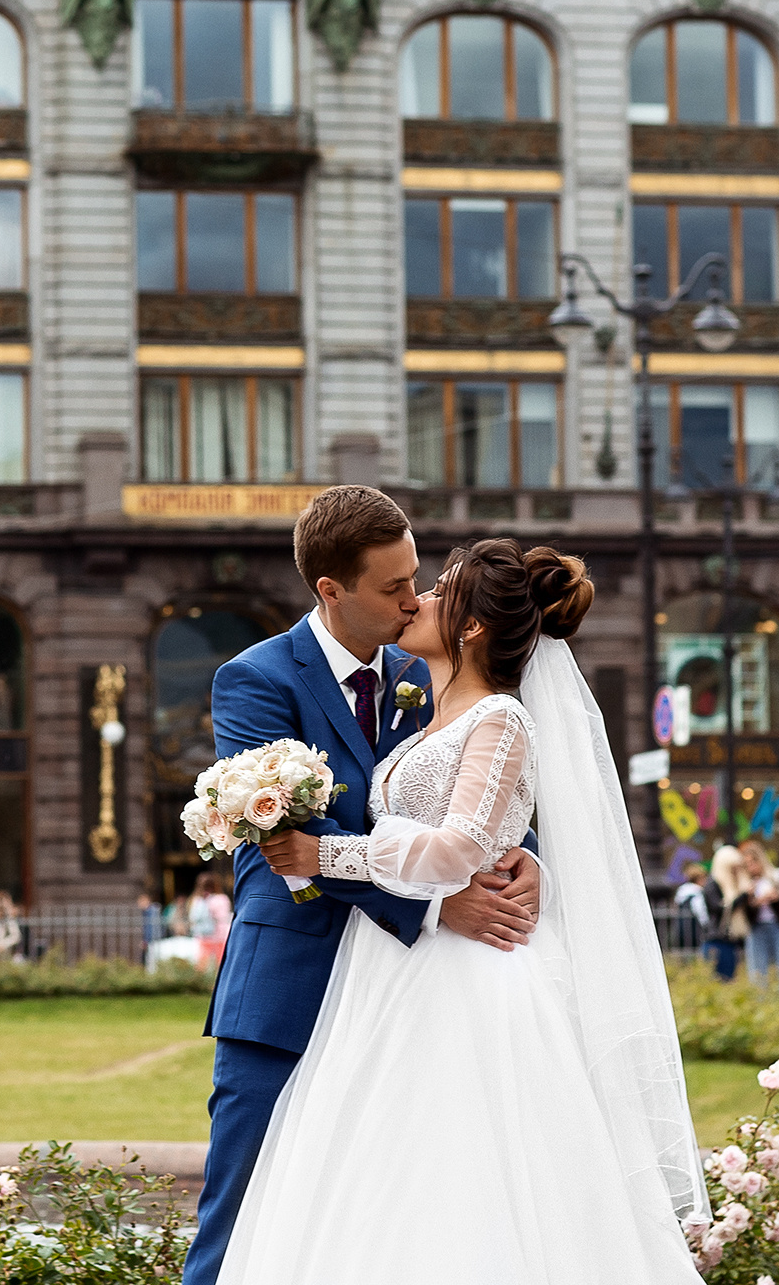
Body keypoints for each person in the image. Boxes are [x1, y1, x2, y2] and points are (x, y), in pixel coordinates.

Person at [234, 539, 700, 1281]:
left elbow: (459, 848)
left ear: (474, 626)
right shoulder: (423, 707)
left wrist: (327, 855)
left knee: (471, 1169)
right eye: (408, 586)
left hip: (470, 975)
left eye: (437, 589)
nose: (418, 599)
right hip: (385, 970)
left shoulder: (501, 718)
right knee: (381, 1171)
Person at [181, 489, 544, 1285]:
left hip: (414, 1003)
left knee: (395, 1218)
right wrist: (438, 902)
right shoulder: (255, 679)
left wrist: (529, 860)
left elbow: (480, 793)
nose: (414, 599)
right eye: (394, 586)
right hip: (292, 987)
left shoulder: (429, 667)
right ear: (331, 590)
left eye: (417, 579)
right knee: (242, 1218)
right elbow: (280, 849)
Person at [739, 838, 779, 992]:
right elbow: (744, 913)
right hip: (756, 928)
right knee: (758, 970)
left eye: (753, 862)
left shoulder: (777, 877)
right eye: (747, 864)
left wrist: (777, 898)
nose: (751, 867)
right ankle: (761, 998)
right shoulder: (746, 884)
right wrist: (751, 900)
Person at [704, 842, 748, 981]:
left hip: (732, 940)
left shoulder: (734, 885)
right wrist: (742, 897)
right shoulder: (712, 884)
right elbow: (717, 908)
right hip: (718, 938)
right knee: (720, 979)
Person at [671, 862, 711, 953]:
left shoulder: (682, 892)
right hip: (693, 929)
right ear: (698, 879)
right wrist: (706, 925)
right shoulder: (697, 893)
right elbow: (700, 912)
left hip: (681, 928)